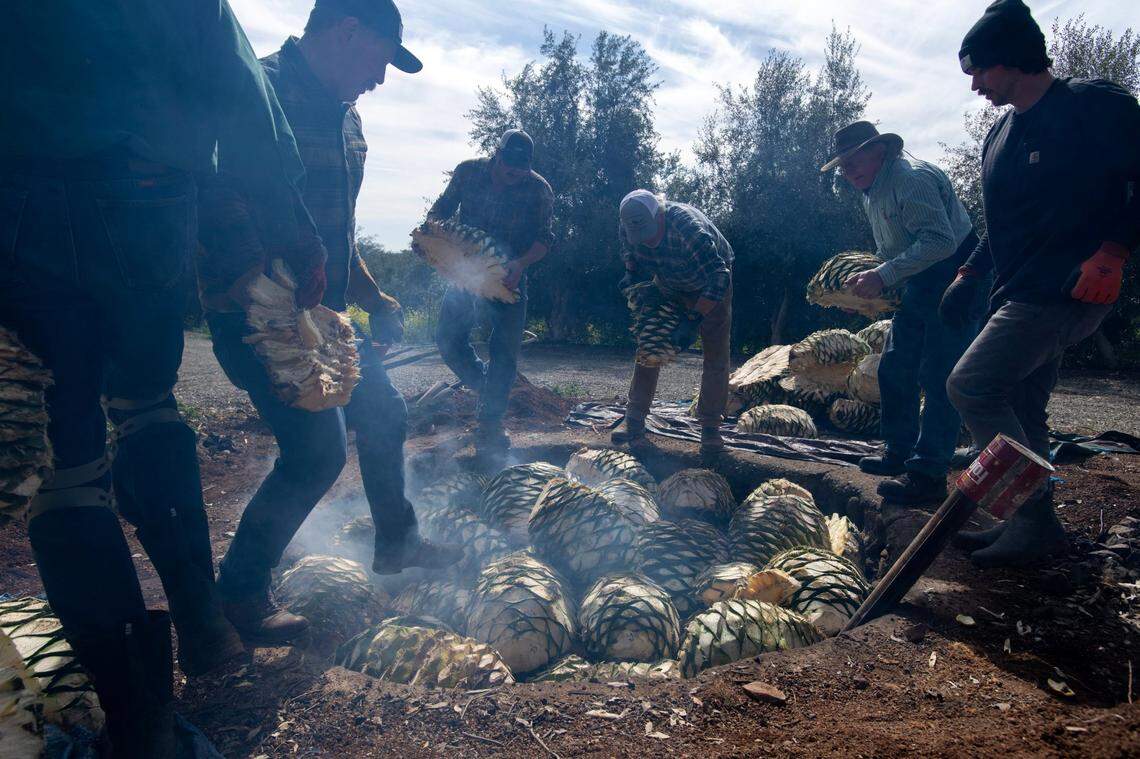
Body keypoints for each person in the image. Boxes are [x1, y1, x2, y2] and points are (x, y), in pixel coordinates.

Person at [0, 1, 317, 754]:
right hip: (146, 187)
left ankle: (140, 720)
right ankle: (204, 629)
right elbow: (239, 80)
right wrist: (288, 219)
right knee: (146, 400)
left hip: (18, 186)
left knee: (65, 457)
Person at [201, 0, 463, 646]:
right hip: (263, 318)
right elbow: (212, 205)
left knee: (385, 411)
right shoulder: (259, 92)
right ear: (347, 33)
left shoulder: (349, 123)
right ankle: (237, 591)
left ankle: (397, 540)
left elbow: (338, 235)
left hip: (329, 320)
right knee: (318, 452)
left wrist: (374, 296)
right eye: (381, 59)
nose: (380, 78)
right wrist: (256, 293)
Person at [944, 0, 1140, 567]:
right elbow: (1000, 224)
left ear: (1013, 57)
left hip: (1067, 289)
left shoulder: (1092, 106)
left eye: (980, 69)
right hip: (1015, 290)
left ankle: (1028, 518)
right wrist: (969, 271)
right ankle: (1037, 529)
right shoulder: (999, 135)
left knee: (972, 386)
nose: (975, 84)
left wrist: (1114, 251)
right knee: (1024, 405)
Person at [820, 122, 985, 504]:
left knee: (940, 375)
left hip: (957, 277)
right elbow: (892, 252)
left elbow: (940, 242)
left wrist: (883, 275)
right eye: (843, 164)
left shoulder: (911, 179)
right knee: (895, 367)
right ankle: (898, 452)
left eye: (854, 159)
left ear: (879, 150)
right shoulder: (872, 193)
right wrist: (862, 295)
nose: (848, 170)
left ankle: (928, 474)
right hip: (919, 281)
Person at [427, 129, 555, 465]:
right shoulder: (468, 172)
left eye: (521, 169)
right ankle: (487, 390)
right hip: (464, 272)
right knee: (448, 341)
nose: (514, 173)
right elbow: (440, 211)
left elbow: (545, 240)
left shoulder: (539, 190)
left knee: (505, 352)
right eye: (509, 165)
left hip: (508, 278)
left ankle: (490, 424)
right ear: (497, 154)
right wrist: (436, 244)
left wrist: (520, 265)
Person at [611, 190, 735, 457]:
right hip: (668, 280)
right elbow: (629, 252)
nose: (646, 240)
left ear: (659, 215)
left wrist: (694, 318)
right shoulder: (627, 225)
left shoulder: (688, 230)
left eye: (649, 232)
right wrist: (630, 273)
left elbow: (719, 276)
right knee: (649, 345)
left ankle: (711, 428)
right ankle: (634, 418)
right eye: (639, 235)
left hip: (709, 281)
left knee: (716, 353)